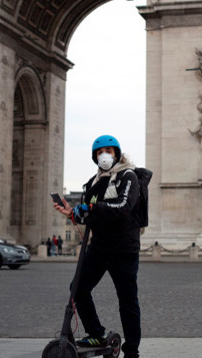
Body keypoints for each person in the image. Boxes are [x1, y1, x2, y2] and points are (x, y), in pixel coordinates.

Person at [52, 135, 142, 358]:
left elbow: (123, 206)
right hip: (99, 247)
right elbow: (92, 215)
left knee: (127, 301)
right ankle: (96, 333)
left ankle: (131, 352)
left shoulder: (128, 176)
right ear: (95, 157)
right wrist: (73, 212)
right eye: (101, 152)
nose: (105, 155)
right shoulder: (93, 182)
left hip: (124, 249)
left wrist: (91, 209)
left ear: (117, 154)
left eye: (110, 151)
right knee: (78, 289)